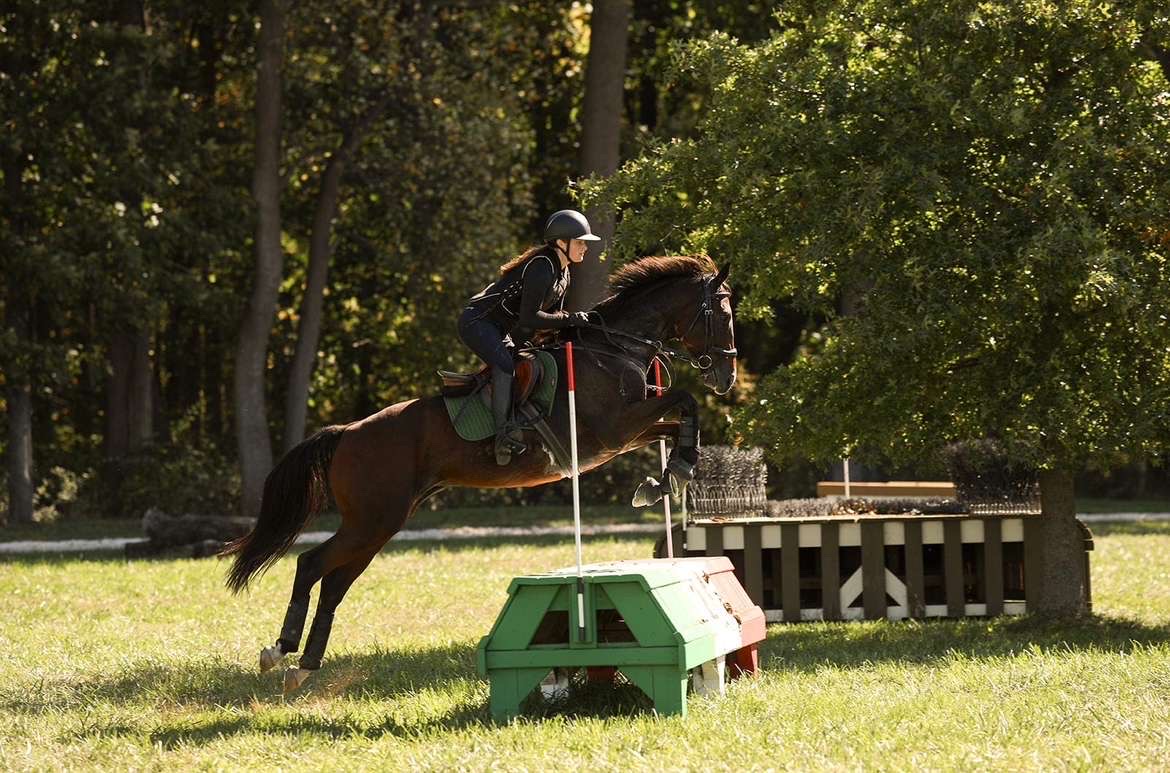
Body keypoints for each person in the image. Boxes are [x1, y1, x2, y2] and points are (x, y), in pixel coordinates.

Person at [458, 209, 599, 465]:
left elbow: (553, 317)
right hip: (477, 323)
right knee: (505, 366)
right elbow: (531, 319)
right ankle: (502, 435)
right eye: (580, 242)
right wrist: (569, 318)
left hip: (499, 329)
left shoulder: (563, 273)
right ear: (561, 243)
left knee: (527, 365)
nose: (585, 248)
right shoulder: (541, 268)